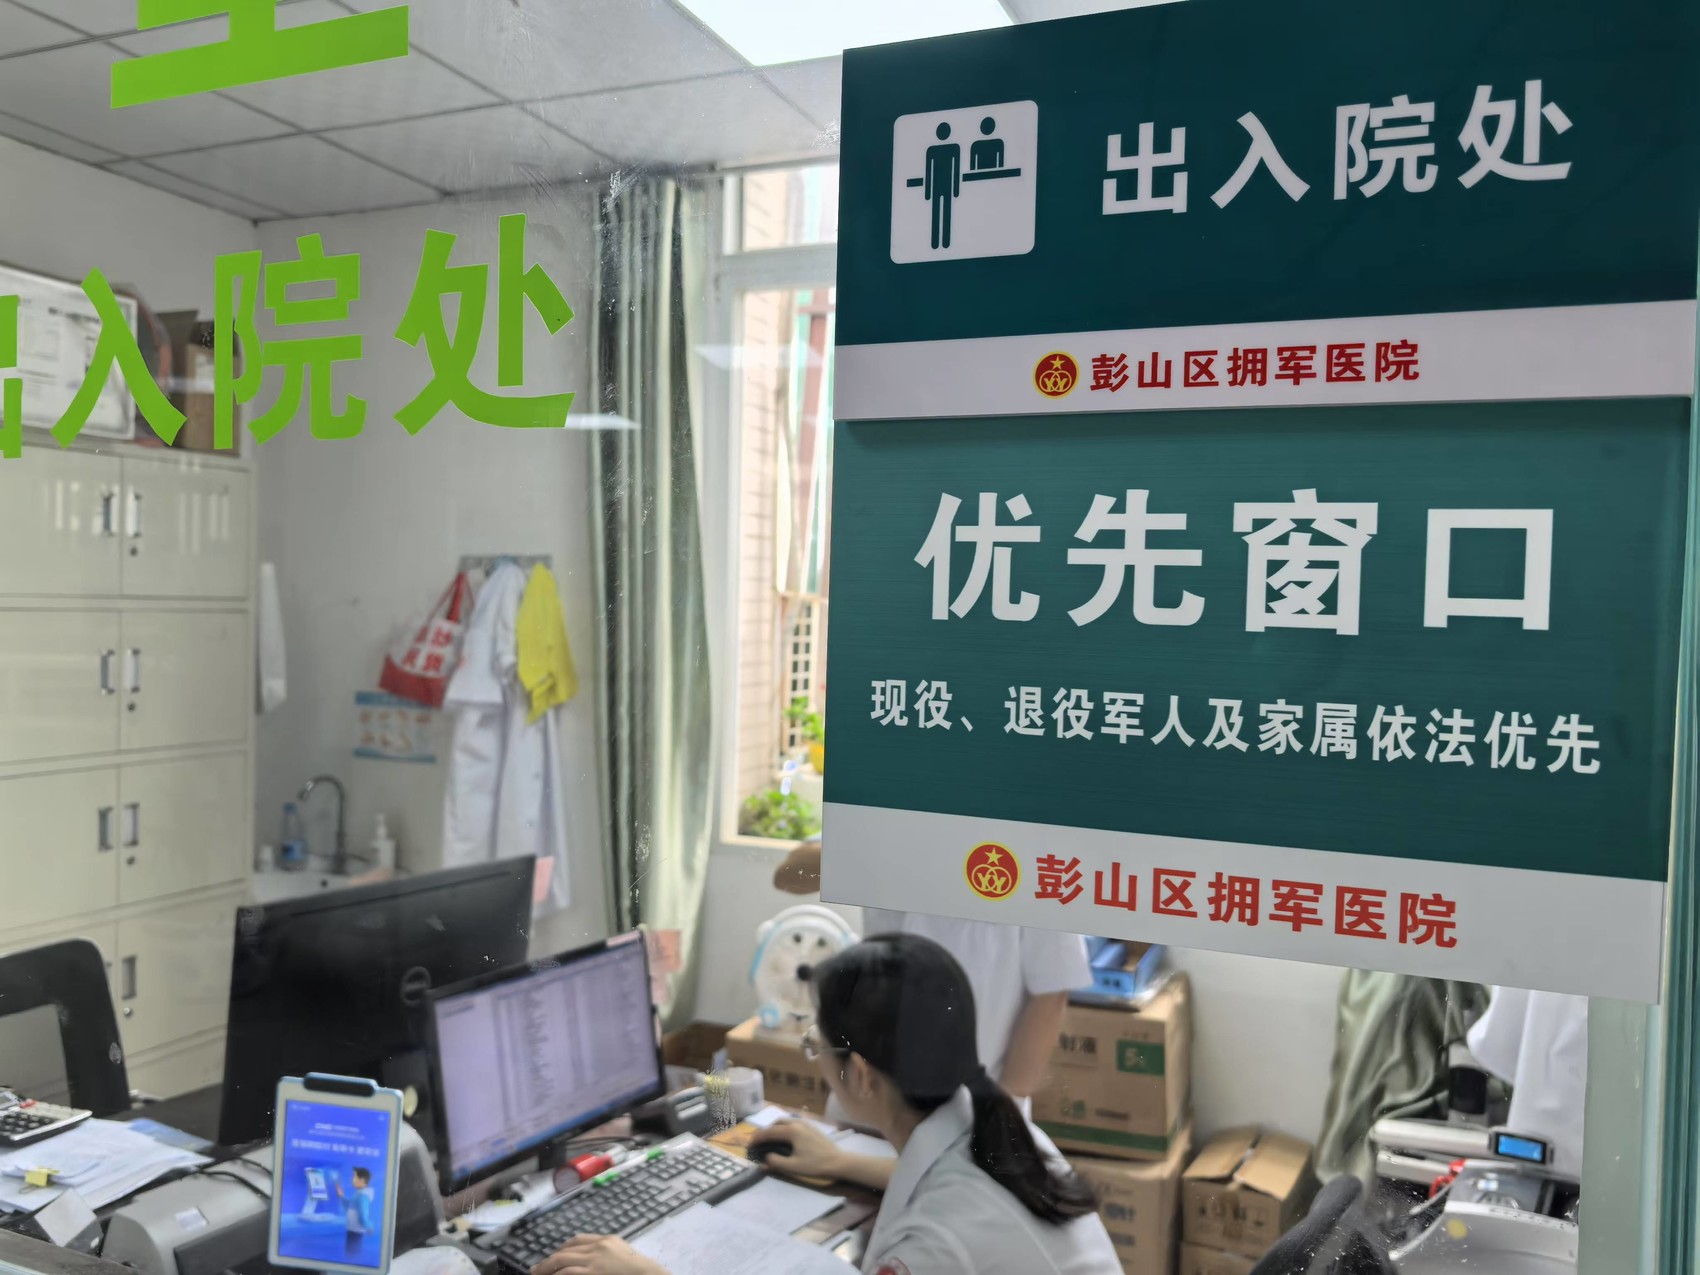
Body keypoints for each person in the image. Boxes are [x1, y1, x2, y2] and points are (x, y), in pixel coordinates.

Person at [532, 934, 1119, 1275]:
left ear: (860, 1074)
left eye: (817, 1043)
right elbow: (945, 1181)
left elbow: (947, 1219)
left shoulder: (937, 1242)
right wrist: (842, 1164)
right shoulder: (993, 1124)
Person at [859, 909, 1090, 1108]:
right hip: (883, 1095)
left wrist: (1004, 1107)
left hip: (981, 1100)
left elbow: (1051, 991)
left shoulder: (1037, 877)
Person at [336, 1166, 375, 1257]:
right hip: (353, 1230)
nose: (352, 1180)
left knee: (352, 1254)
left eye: (354, 1177)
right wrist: (341, 1196)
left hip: (356, 1231)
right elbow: (349, 1205)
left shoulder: (362, 1196)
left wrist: (369, 1226)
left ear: (362, 1180)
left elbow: (363, 1216)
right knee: (352, 1252)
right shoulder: (358, 1194)